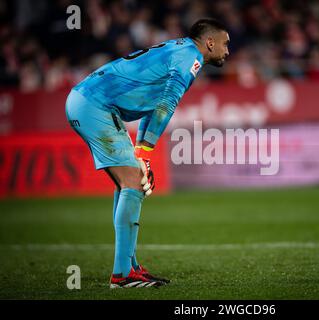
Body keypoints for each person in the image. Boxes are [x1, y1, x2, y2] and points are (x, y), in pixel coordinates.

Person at [65, 19, 230, 288]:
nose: (227, 50)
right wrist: (144, 153)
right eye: (225, 43)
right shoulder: (191, 58)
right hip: (94, 105)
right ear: (210, 42)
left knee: (129, 182)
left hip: (90, 101)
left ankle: (129, 266)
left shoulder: (181, 51)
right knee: (133, 181)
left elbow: (153, 107)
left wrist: (143, 151)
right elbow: (166, 104)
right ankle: (122, 276)